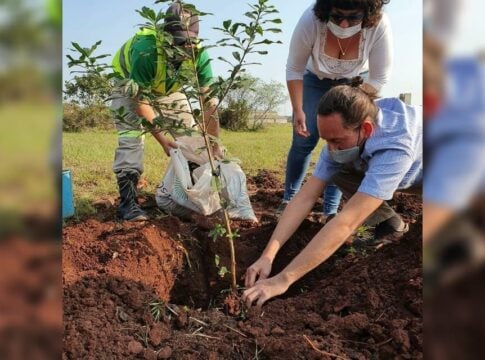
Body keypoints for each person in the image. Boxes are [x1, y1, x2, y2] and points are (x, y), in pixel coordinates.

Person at [243, 83, 422, 308]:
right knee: (340, 167)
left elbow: (347, 222)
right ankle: (388, 224)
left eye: (337, 141)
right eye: (327, 140)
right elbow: (305, 197)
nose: (331, 149)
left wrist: (283, 279)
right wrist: (268, 255)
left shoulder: (396, 146)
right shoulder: (347, 130)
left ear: (366, 130)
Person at [281, 0, 393, 221]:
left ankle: (330, 210)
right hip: (314, 80)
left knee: (343, 145)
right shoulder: (310, 20)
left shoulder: (379, 26)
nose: (343, 24)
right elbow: (294, 68)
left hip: (355, 83)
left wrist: (354, 106)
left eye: (353, 17)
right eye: (337, 16)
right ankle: (288, 200)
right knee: (303, 140)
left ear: (367, 13)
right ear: (326, 11)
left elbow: (379, 77)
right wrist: (298, 110)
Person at [110, 2, 219, 221]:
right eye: (178, 42)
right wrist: (163, 139)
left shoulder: (199, 53)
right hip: (129, 85)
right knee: (131, 137)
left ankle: (189, 197)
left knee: (191, 138)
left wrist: (214, 144)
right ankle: (128, 203)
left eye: (188, 43)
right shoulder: (146, 48)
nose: (183, 50)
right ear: (165, 34)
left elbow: (209, 101)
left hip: (168, 89)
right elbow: (140, 101)